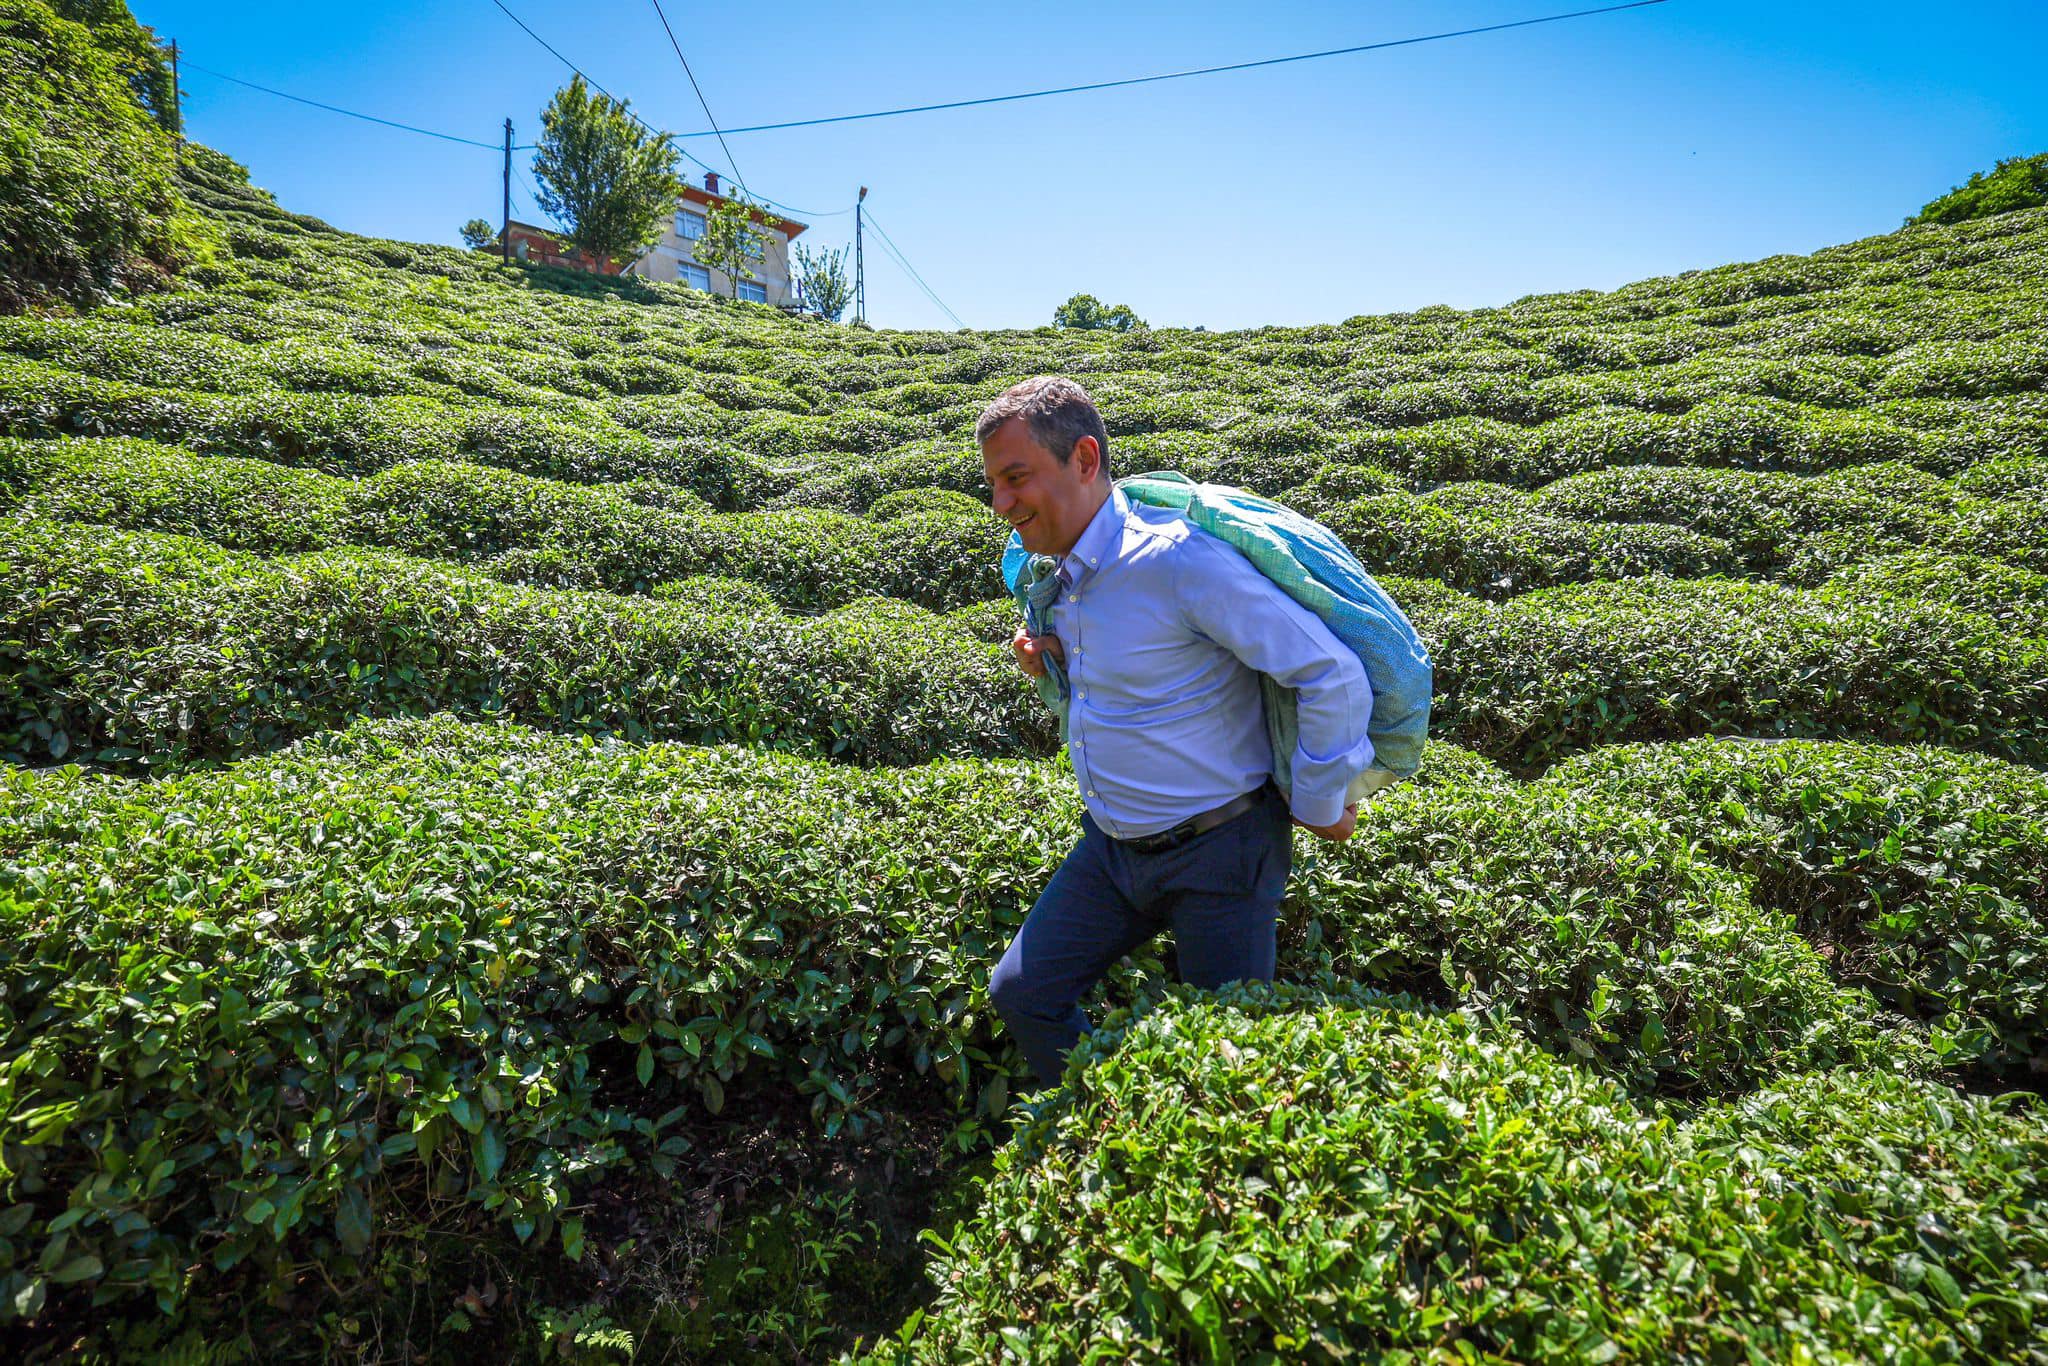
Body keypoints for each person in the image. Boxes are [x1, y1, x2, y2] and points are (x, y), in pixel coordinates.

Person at [979, 376, 1375, 1089]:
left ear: (1085, 460)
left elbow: (1330, 671)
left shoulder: (1178, 561)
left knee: (1228, 1067)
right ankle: (1105, 1127)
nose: (1003, 506)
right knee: (1023, 994)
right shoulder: (1054, 574)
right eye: (994, 487)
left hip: (1221, 854)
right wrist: (1047, 670)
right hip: (1112, 847)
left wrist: (1319, 804)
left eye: (1016, 478)